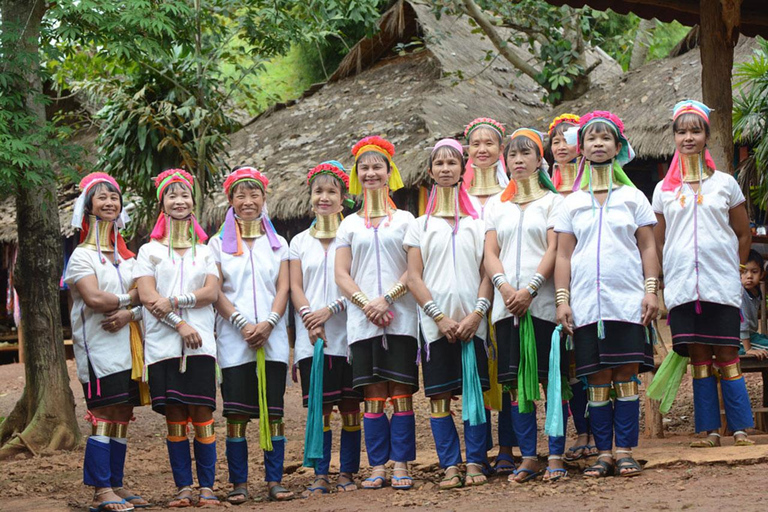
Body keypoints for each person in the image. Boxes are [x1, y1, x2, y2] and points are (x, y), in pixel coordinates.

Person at [555, 111, 659, 478]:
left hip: (627, 303)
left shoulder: (634, 197)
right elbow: (564, 254)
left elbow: (647, 247)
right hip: (586, 306)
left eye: (606, 138)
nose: (598, 144)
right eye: (591, 139)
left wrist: (650, 291)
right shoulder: (571, 202)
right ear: (580, 148)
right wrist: (563, 300)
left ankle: (626, 450)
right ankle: (603, 453)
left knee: (627, 376)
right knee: (597, 380)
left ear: (619, 147)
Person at [653, 100, 754, 448]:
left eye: (695, 130)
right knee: (698, 358)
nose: (688, 137)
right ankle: (709, 431)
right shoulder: (664, 190)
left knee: (727, 355)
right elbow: (659, 239)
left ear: (707, 136)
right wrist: (663, 278)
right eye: (681, 131)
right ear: (674, 138)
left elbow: (744, 234)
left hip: (720, 286)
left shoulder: (725, 184)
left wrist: (735, 269)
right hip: (683, 288)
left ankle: (740, 429)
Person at [405, 138, 491, 489]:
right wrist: (439, 317)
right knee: (439, 398)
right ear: (430, 172)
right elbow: (413, 276)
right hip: (434, 325)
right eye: (438, 163)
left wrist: (476, 314)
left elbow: (488, 271)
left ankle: (475, 462)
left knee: (474, 395)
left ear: (462, 169)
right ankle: (450, 465)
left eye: (451, 163)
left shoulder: (478, 222)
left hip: (475, 324)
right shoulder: (419, 225)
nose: (445, 168)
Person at [334, 136, 419, 490]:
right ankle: (378, 466)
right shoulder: (348, 224)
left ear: (389, 173)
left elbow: (414, 268)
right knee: (372, 395)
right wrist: (367, 304)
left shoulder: (405, 219)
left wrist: (387, 299)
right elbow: (341, 274)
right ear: (357, 175)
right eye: (364, 168)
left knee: (400, 391)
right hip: (362, 320)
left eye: (377, 167)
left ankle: (400, 465)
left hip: (400, 317)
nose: (371, 173)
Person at [134, 169, 221, 507]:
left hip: (202, 346)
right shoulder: (149, 251)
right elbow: (146, 295)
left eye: (185, 194)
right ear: (163, 204)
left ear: (193, 202)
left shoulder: (205, 250)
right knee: (175, 417)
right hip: (163, 345)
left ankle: (207, 487)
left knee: (202, 413)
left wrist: (176, 301)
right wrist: (180, 324)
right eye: (172, 195)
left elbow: (211, 292)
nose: (179, 200)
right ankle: (184, 488)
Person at [484, 129, 566, 483]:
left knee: (551, 383)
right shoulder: (495, 205)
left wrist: (530, 289)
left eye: (526, 154)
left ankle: (557, 455)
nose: (518, 160)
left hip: (542, 305)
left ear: (539, 159)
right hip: (506, 308)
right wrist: (504, 289)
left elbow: (554, 249)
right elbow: (490, 252)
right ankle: (529, 457)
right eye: (512, 155)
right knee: (516, 385)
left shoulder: (553, 201)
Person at [66, 172, 149, 512]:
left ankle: (115, 483)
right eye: (101, 198)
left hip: (129, 348)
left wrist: (131, 307)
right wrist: (132, 297)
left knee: (122, 413)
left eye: (114, 197)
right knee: (102, 414)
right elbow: (95, 299)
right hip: (98, 349)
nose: (109, 202)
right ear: (88, 207)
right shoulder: (81, 257)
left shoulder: (128, 258)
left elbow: (148, 300)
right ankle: (101, 491)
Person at [208, 167, 292, 503]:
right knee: (236, 414)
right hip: (234, 339)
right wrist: (242, 322)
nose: (248, 201)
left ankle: (274, 480)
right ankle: (239, 483)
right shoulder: (216, 246)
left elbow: (284, 286)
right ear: (230, 201)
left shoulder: (278, 244)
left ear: (264, 198)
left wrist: (270, 322)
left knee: (274, 413)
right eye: (240, 195)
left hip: (271, 339)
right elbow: (216, 292)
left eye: (254, 194)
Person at [289, 161, 362, 495]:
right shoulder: (299, 242)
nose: (324, 197)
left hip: (348, 334)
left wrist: (329, 310)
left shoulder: (354, 235)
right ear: (310, 197)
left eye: (332, 191)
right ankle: (320, 473)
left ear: (343, 197)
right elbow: (295, 286)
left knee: (349, 407)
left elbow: (358, 282)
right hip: (312, 338)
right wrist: (309, 317)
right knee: (320, 409)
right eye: (318, 191)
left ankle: (347, 471)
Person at [463, 117, 517, 474]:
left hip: (506, 293)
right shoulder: (455, 194)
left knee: (508, 373)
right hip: (467, 295)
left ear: (501, 150)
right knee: (478, 374)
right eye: (476, 144)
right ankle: (478, 450)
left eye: (490, 143)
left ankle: (509, 447)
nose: (482, 149)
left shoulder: (511, 193)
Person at [548, 113, 598, 462]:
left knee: (587, 359)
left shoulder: (589, 190)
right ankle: (576, 429)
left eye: (568, 139)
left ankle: (596, 429)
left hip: (586, 283)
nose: (562, 146)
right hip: (550, 287)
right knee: (563, 364)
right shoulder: (543, 194)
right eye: (555, 141)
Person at [739, 250, 768, 359]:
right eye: (744, 272)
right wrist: (749, 349)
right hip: (740, 340)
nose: (749, 276)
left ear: (761, 274)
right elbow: (742, 324)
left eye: (754, 271)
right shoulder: (741, 294)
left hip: (751, 336)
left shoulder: (756, 291)